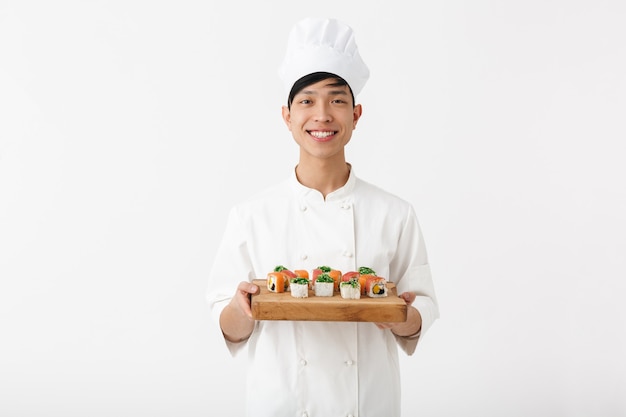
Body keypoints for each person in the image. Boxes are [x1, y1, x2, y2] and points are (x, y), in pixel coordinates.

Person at [206, 17, 439, 417]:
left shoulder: (395, 213)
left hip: (367, 405)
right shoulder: (251, 215)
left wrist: (400, 317)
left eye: (337, 100)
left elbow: (421, 311)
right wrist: (241, 308)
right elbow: (228, 327)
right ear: (287, 116)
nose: (322, 115)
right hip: (279, 405)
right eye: (307, 101)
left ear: (356, 114)